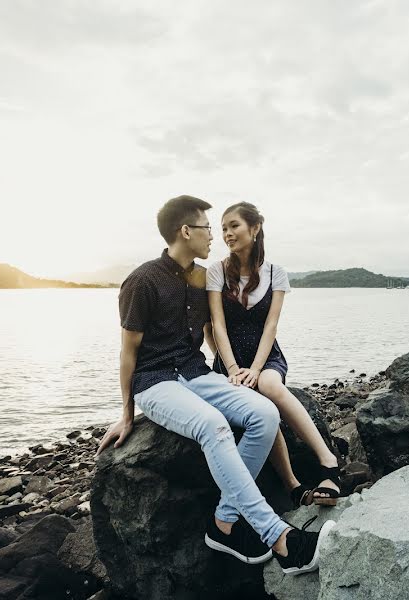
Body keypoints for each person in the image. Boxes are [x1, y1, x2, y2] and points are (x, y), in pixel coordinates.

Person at [96, 195, 334, 575]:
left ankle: (224, 523)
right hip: (156, 382)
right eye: (209, 228)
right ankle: (279, 537)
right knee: (213, 425)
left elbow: (211, 330)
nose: (215, 237)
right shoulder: (142, 281)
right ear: (185, 231)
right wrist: (126, 414)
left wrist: (234, 372)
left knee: (264, 412)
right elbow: (128, 353)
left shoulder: (199, 277)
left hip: (196, 373)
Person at [206, 202, 342, 507]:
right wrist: (231, 368)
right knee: (257, 406)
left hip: (266, 357)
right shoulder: (216, 272)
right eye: (223, 227)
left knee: (268, 387)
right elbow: (216, 325)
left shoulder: (275, 273)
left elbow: (271, 326)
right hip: (229, 360)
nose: (227, 233)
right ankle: (293, 486)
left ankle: (328, 463)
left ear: (254, 229)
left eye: (234, 225)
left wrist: (254, 369)